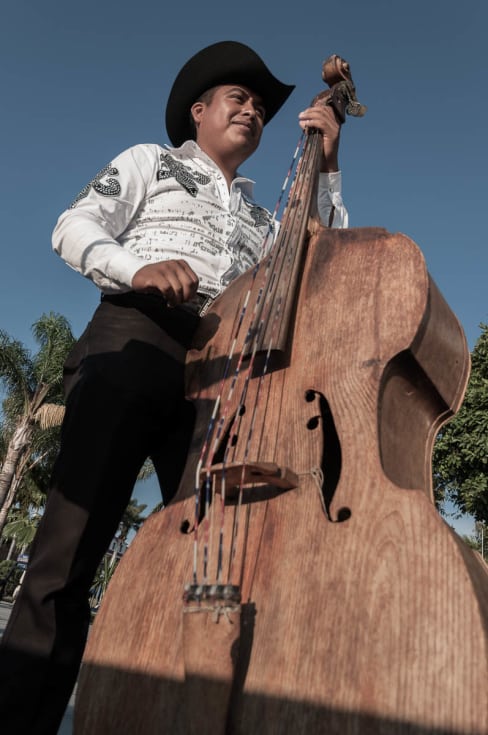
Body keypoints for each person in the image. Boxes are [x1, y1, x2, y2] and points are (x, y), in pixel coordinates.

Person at [0, 40, 347, 734]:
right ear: (198, 111)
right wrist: (137, 268)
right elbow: (73, 227)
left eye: (259, 106)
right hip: (134, 340)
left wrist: (329, 169)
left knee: (219, 564)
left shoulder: (263, 217)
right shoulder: (149, 162)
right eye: (237, 99)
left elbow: (321, 263)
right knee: (66, 558)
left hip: (224, 377)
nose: (251, 111)